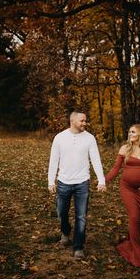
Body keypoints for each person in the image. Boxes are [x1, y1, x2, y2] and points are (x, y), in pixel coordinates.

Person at [48, 110, 106, 260]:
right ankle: (65, 233)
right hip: (63, 182)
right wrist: (50, 181)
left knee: (81, 216)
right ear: (72, 121)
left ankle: (78, 247)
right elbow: (53, 160)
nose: (84, 123)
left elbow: (95, 159)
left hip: (82, 182)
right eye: (82, 121)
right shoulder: (60, 138)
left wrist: (101, 180)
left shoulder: (90, 138)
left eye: (85, 121)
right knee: (61, 213)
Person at [106, 124, 140, 267]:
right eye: (129, 132)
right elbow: (116, 169)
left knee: (139, 219)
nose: (130, 134)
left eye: (133, 132)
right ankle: (135, 251)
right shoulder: (125, 148)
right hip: (127, 188)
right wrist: (104, 180)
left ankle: (131, 241)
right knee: (134, 216)